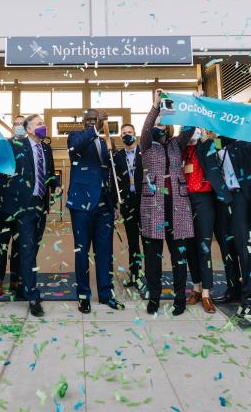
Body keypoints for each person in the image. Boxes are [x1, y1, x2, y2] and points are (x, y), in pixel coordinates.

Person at [0, 114, 61, 317]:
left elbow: (49, 172)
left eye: (44, 122)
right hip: (23, 207)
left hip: (41, 205)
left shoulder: (46, 148)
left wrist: (56, 185)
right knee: (26, 249)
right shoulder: (15, 144)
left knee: (32, 249)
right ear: (28, 129)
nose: (44, 126)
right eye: (40, 123)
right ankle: (32, 296)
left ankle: (26, 283)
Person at [140, 89, 195, 316]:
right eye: (157, 125)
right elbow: (145, 129)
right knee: (153, 257)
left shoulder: (176, 145)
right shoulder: (146, 145)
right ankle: (154, 298)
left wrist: (192, 104)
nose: (159, 128)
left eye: (163, 125)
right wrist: (155, 107)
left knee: (178, 255)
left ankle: (179, 297)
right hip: (155, 210)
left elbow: (189, 128)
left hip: (176, 208)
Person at [67, 108, 125, 314]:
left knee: (104, 252)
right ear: (84, 122)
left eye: (97, 120)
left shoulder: (105, 141)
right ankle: (83, 296)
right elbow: (76, 146)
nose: (93, 122)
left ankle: (106, 294)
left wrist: (115, 151)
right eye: (90, 119)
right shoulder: (75, 137)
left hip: (104, 206)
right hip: (82, 205)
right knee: (82, 252)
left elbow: (113, 172)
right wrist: (95, 129)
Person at [197, 133, 251, 320]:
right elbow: (205, 159)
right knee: (226, 248)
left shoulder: (243, 143)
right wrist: (206, 141)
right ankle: (233, 290)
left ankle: (248, 299)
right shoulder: (214, 144)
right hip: (221, 201)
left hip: (241, 200)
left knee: (244, 249)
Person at [0, 115, 26, 297]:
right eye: (17, 124)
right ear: (13, 127)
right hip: (4, 203)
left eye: (22, 124)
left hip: (22, 205)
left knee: (19, 245)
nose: (19, 127)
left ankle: (16, 280)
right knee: (2, 244)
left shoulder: (30, 146)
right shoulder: (4, 145)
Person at [183, 128, 216, 313]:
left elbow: (213, 155)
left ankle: (206, 293)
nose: (190, 133)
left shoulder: (207, 147)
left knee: (204, 247)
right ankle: (195, 288)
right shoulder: (181, 149)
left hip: (204, 200)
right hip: (185, 201)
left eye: (193, 130)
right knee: (190, 247)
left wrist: (204, 139)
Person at [114, 123, 145, 289]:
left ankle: (152, 275)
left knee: (148, 240)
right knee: (133, 241)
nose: (127, 135)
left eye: (130, 132)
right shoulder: (117, 156)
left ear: (135, 134)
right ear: (121, 137)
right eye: (124, 133)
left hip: (145, 201)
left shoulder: (144, 152)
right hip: (128, 202)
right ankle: (135, 275)